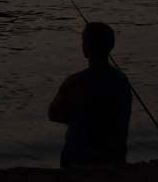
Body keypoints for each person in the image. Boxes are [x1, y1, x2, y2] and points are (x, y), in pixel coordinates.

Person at [48, 21, 132, 167]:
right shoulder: (122, 81)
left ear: (86, 48)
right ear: (111, 46)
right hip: (114, 158)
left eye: (84, 41)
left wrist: (80, 118)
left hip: (78, 158)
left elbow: (53, 114)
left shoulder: (75, 82)